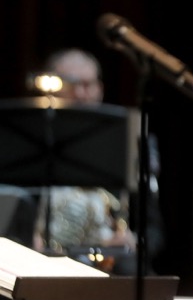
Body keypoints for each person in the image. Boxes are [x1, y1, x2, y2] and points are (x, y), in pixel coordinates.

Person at [31, 48, 164, 273]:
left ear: (100, 89)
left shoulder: (127, 145)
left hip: (110, 265)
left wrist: (134, 241)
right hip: (41, 262)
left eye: (87, 85)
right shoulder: (31, 142)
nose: (80, 94)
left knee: (135, 273)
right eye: (71, 85)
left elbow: (154, 231)